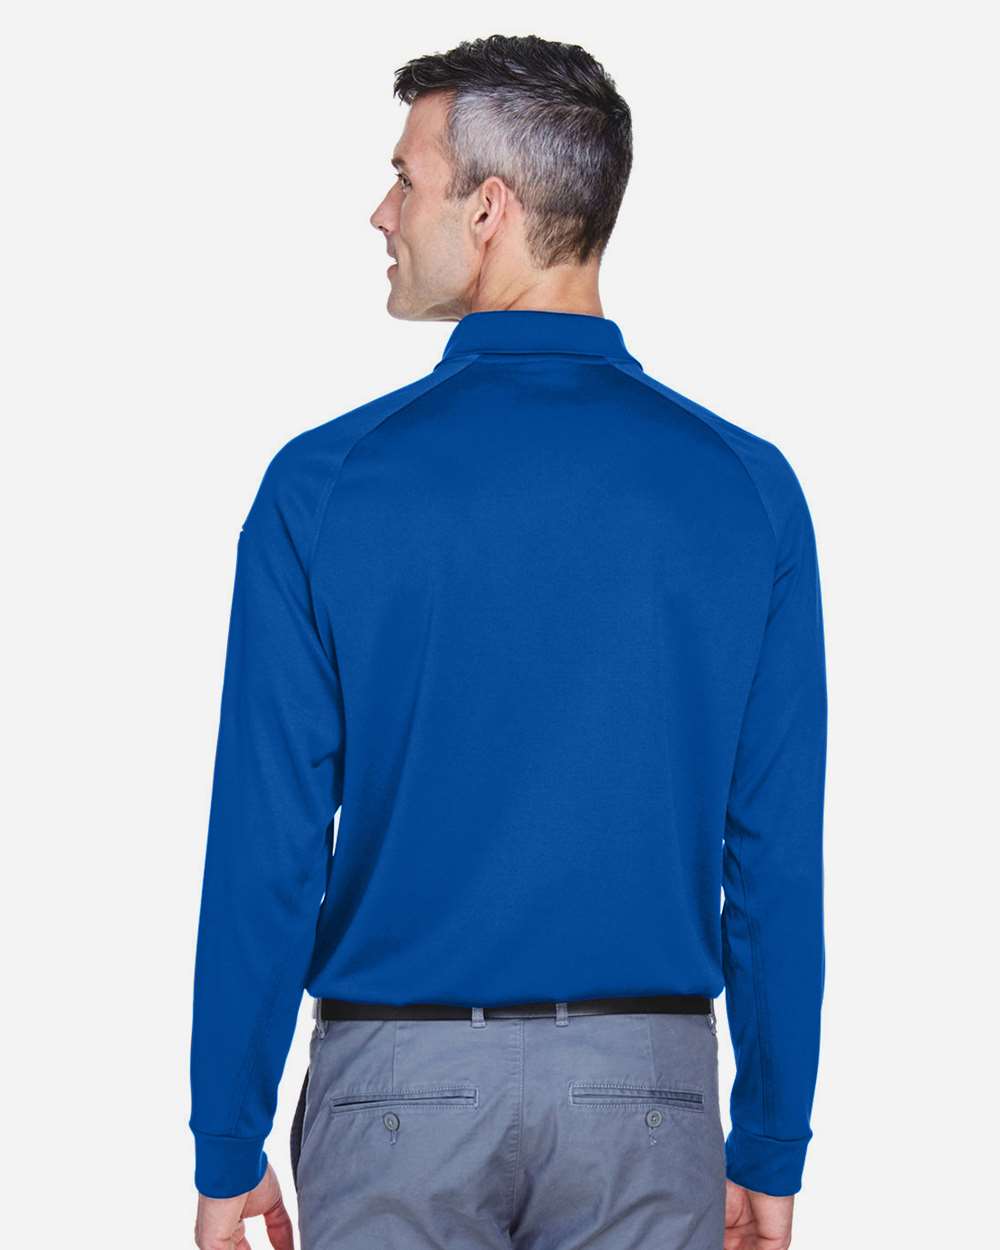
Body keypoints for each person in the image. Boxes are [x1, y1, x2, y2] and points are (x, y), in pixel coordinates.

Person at [189, 33, 827, 1250]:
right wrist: (768, 1139)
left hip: (395, 1095)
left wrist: (227, 1138)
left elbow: (268, 843)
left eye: (405, 177)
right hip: (647, 1097)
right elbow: (773, 856)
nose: (381, 212)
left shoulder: (326, 484)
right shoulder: (745, 489)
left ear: (488, 209)